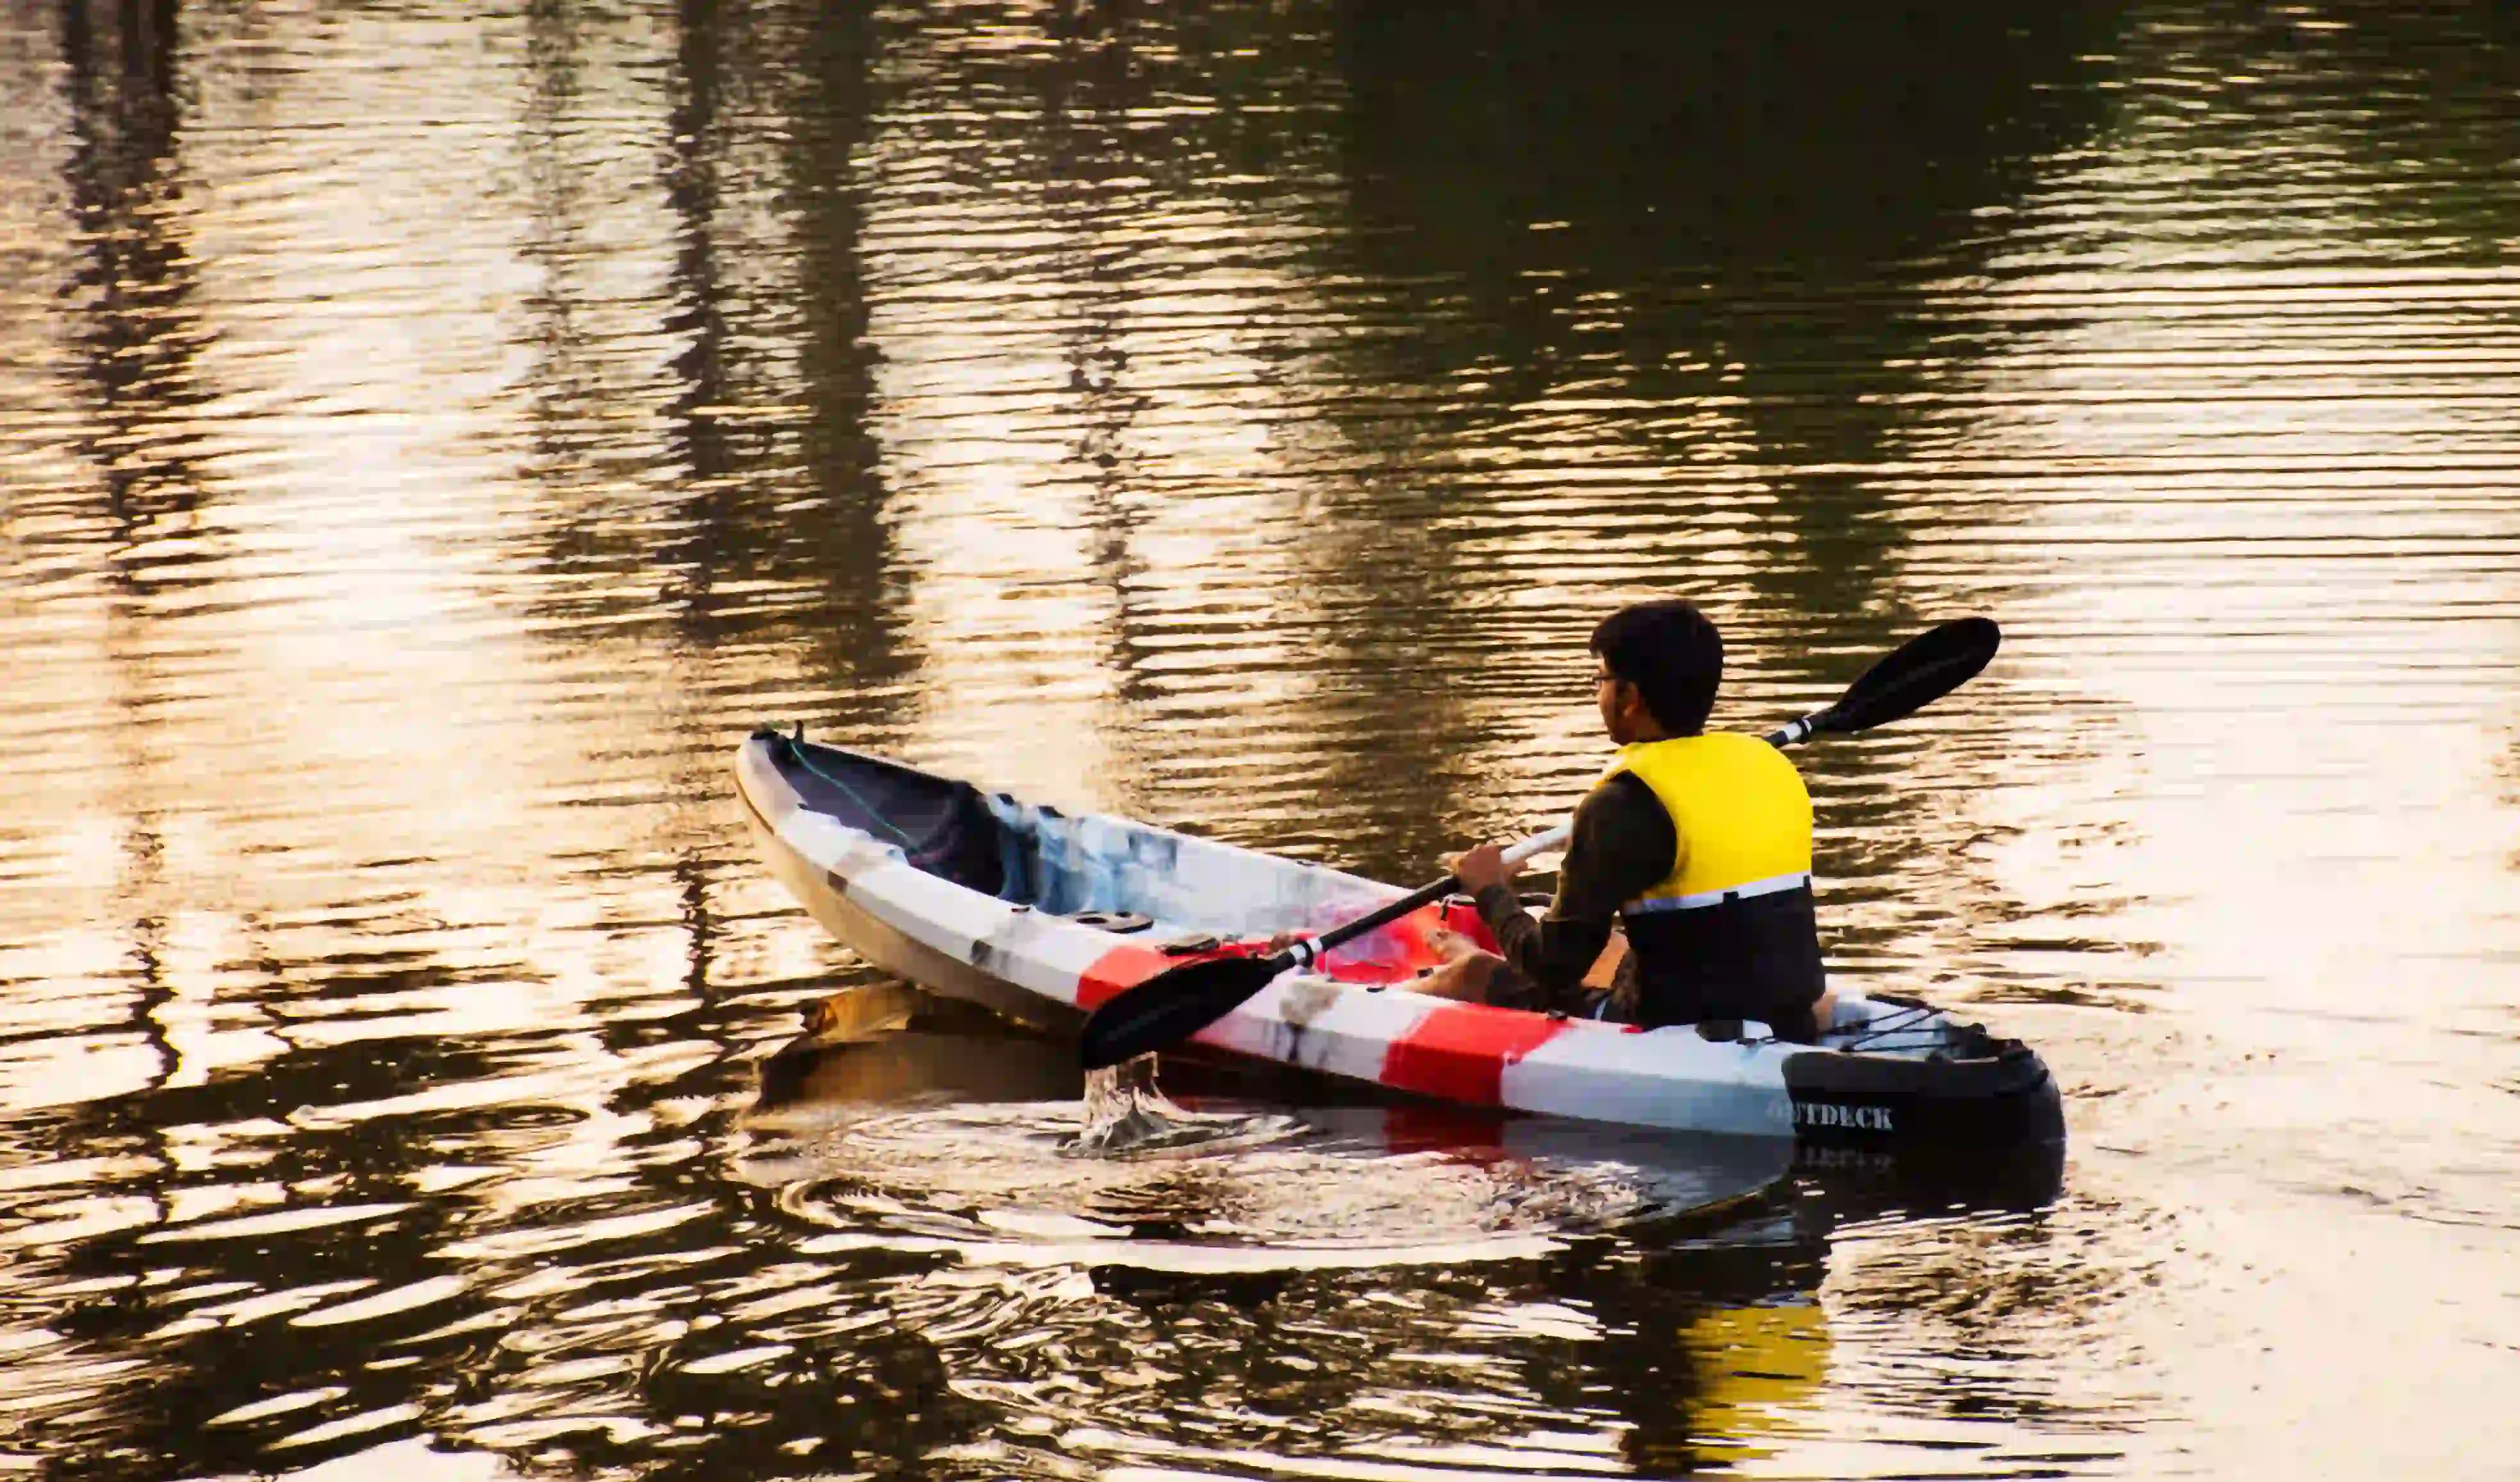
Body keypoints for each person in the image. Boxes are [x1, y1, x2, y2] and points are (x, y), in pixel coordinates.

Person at [1446, 598, 1827, 1041]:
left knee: (1471, 974)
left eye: (1601, 680)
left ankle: (1432, 974)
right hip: (1789, 1015)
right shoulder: (1769, 769)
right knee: (1614, 945)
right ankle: (1463, 949)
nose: (1598, 693)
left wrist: (1490, 888)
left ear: (1629, 698)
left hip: (1680, 1031)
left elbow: (1553, 968)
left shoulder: (1619, 805)